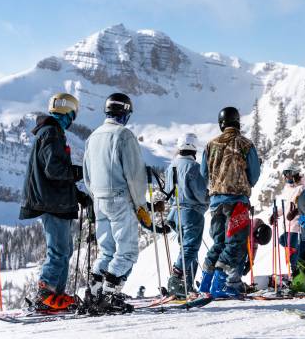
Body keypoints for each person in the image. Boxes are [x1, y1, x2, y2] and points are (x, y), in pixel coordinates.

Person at [83, 92, 149, 312]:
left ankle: (93, 294)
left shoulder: (93, 137)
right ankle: (110, 296)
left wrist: (95, 197)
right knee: (127, 251)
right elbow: (135, 174)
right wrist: (141, 205)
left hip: (99, 199)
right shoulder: (123, 135)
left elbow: (87, 174)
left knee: (107, 251)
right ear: (126, 112)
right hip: (119, 197)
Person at [19, 93, 85, 311]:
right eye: (73, 113)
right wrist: (79, 172)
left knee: (65, 249)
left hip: (57, 200)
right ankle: (45, 293)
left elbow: (56, 172)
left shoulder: (53, 132)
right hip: (52, 202)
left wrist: (77, 195)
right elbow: (54, 169)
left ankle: (56, 295)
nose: (73, 119)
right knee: (58, 250)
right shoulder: (51, 132)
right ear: (69, 111)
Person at [198, 106, 261, 298]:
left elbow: (203, 174)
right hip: (237, 202)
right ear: (237, 123)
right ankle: (220, 284)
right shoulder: (245, 144)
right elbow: (254, 173)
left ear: (221, 124)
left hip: (216, 201)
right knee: (234, 244)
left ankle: (205, 284)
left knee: (218, 242)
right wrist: (244, 184)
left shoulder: (210, 145)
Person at [165, 133, 209, 298]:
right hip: (191, 212)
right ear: (194, 149)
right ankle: (176, 279)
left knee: (186, 249)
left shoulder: (171, 167)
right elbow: (200, 193)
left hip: (175, 213)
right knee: (190, 248)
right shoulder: (193, 167)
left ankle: (187, 285)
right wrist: (209, 197)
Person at [269, 163, 305, 272]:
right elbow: (286, 206)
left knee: (291, 250)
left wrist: (299, 219)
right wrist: (276, 214)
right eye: (285, 174)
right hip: (288, 225)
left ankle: (297, 273)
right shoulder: (289, 188)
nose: (286, 177)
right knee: (284, 242)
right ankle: (299, 270)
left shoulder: (303, 187)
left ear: (296, 174)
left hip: (297, 225)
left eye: (289, 174)